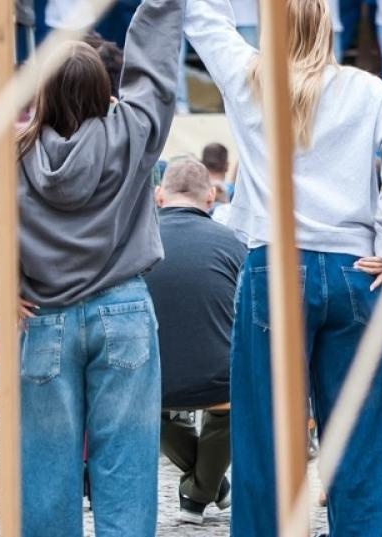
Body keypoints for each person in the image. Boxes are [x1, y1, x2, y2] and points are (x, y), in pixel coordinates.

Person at [174, 0, 382, 537]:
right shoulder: (367, 89)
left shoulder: (251, 78)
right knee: (360, 436)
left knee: (262, 435)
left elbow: (203, 13)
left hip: (273, 267)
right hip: (351, 269)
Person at [0, 0, 179, 537]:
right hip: (124, 308)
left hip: (46, 318)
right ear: (104, 90)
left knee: (44, 467)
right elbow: (154, 79)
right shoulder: (131, 135)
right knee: (127, 462)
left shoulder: (11, 157)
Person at [150, 157, 245, 524]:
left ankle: (200, 491)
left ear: (159, 195)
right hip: (220, 379)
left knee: (150, 411)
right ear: (210, 196)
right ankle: (206, 488)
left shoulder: (136, 241)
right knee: (230, 408)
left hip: (152, 381)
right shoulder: (233, 244)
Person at [138, 0, 190, 113]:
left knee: (177, 63)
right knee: (149, 62)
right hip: (149, 21)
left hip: (173, 18)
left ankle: (181, 103)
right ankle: (152, 103)